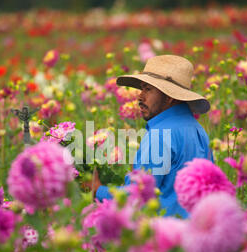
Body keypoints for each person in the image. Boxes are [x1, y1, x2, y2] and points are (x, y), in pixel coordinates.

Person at [90, 55, 213, 218]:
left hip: (164, 235)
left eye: (148, 89)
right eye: (142, 88)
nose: (140, 96)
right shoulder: (198, 130)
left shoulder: (160, 134)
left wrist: (98, 190)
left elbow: (137, 196)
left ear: (169, 97)